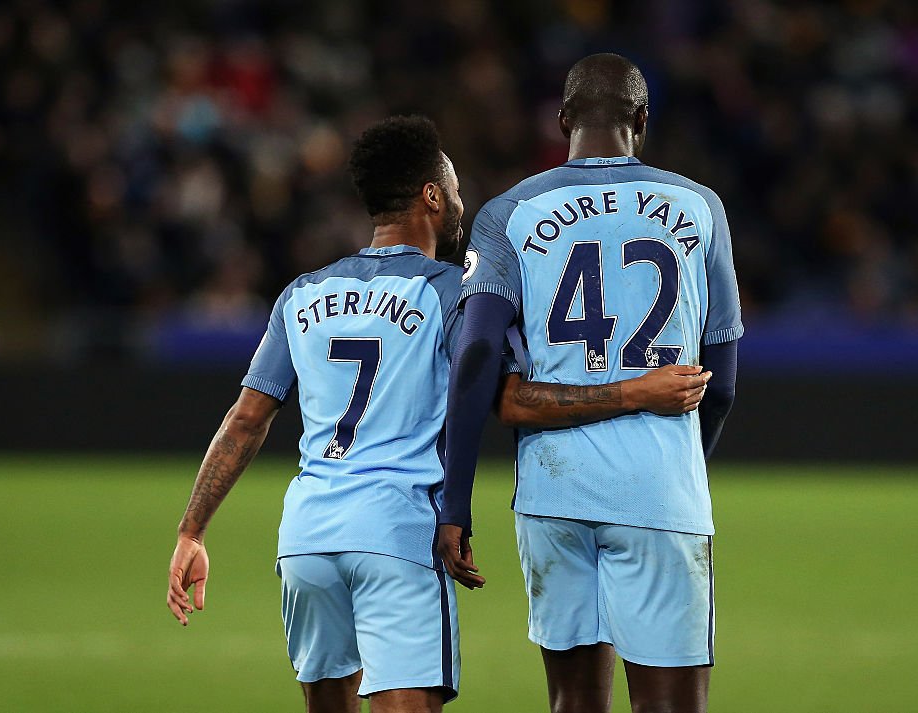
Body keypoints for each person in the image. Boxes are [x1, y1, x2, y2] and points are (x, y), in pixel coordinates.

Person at [165, 115, 712, 713]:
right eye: (451, 188)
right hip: (397, 534)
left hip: (305, 541)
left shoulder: (302, 293)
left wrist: (192, 532)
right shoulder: (455, 293)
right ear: (431, 195)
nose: (459, 201)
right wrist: (636, 391)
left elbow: (245, 420)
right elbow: (508, 395)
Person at [437, 54, 743, 713]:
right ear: (641, 119)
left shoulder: (509, 212)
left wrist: (454, 501)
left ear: (563, 120)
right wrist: (688, 460)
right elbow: (720, 383)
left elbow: (478, 351)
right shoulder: (700, 207)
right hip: (659, 485)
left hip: (553, 490)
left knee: (573, 702)